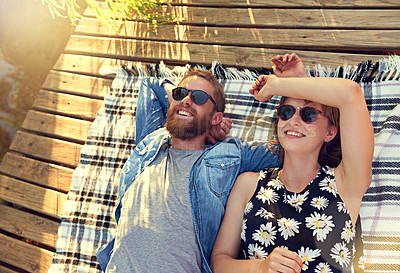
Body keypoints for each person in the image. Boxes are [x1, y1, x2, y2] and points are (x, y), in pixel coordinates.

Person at [96, 68, 282, 273]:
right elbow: (150, 85)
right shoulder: (150, 141)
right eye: (180, 93)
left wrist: (289, 84)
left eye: (199, 97)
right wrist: (187, 108)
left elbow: (286, 148)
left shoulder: (229, 155)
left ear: (217, 118)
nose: (186, 100)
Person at [210, 53, 374, 273]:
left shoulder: (346, 183)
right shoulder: (248, 185)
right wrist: (260, 267)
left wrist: (281, 85)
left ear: (330, 132)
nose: (294, 121)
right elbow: (219, 262)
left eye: (308, 114)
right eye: (286, 112)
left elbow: (351, 94)